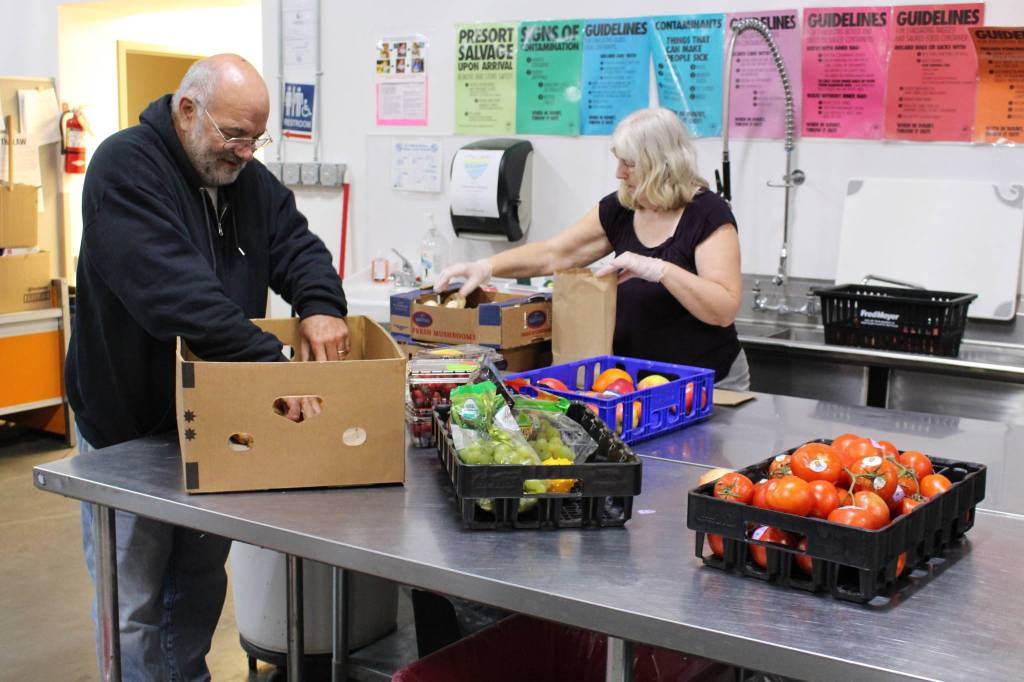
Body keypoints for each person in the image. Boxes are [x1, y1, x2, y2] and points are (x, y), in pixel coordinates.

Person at [66, 54, 349, 680]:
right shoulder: (125, 169)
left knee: (196, 586)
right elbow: (180, 296)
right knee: (134, 601)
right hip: (127, 428)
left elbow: (297, 244)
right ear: (187, 111)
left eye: (257, 137)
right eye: (235, 135)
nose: (247, 152)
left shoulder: (242, 178)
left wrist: (322, 307)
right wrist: (273, 367)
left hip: (211, 423)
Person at [437, 107, 749, 390]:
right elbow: (555, 253)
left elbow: (723, 310)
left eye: (629, 164)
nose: (619, 173)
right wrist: (487, 266)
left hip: (709, 384)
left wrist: (661, 270)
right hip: (636, 387)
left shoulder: (707, 214)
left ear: (661, 165)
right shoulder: (622, 209)